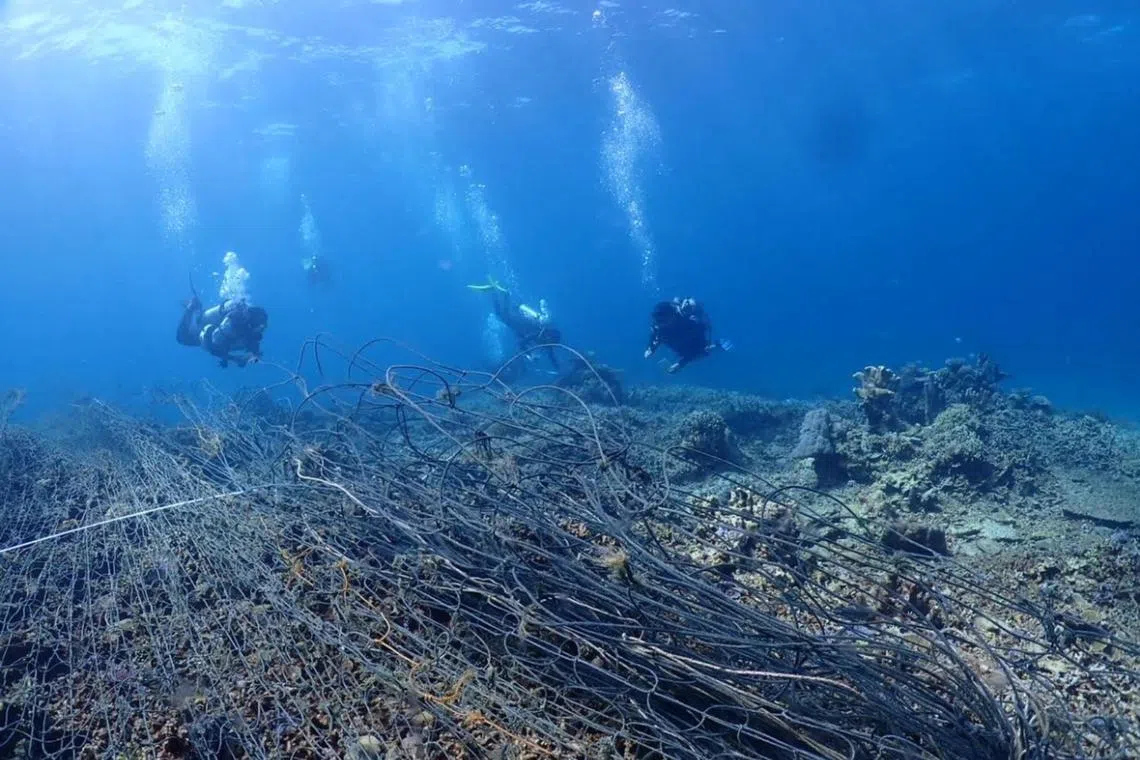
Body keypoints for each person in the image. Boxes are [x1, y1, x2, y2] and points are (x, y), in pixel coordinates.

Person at [469, 280, 561, 370]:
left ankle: (503, 294)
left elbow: (551, 355)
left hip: (520, 322)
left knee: (502, 315)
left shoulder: (543, 337)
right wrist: (530, 356)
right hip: (518, 323)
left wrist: (557, 367)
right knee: (501, 315)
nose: (549, 344)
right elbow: (521, 343)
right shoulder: (539, 335)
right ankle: (497, 293)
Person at [176, 294, 268, 368]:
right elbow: (214, 345)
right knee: (182, 338)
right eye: (259, 327)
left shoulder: (251, 334)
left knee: (199, 322)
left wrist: (253, 356)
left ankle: (195, 309)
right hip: (210, 329)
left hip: (216, 322)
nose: (261, 330)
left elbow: (255, 351)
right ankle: (191, 307)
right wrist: (234, 359)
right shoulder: (233, 325)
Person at [644, 297, 731, 374]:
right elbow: (654, 334)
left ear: (672, 315)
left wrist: (680, 364)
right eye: (657, 320)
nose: (659, 323)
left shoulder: (689, 322)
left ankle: (718, 344)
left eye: (662, 320)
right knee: (666, 338)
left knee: (701, 353)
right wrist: (650, 348)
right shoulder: (659, 325)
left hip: (694, 342)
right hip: (678, 340)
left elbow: (695, 350)